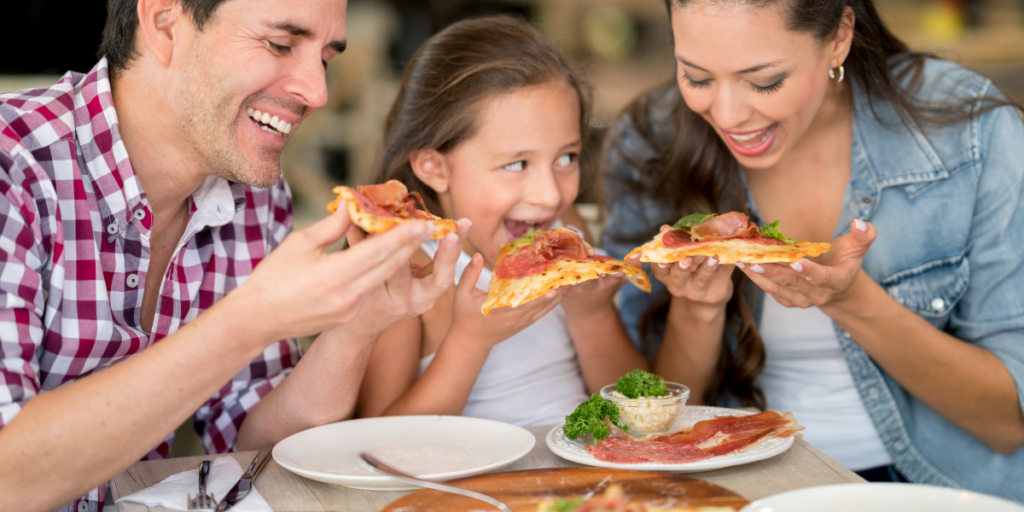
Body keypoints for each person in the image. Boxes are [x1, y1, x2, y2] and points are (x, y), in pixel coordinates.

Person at [0, 0, 469, 510]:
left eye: (325, 58)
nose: (317, 92)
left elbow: (257, 442)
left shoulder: (252, 188)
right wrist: (252, 319)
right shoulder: (13, 168)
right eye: (280, 45)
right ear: (164, 25)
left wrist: (358, 321)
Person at [601, 0, 1024, 500]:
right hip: (741, 486)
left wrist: (849, 301)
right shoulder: (651, 142)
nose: (730, 114)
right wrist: (697, 307)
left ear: (839, 37)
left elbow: (1007, 424)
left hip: (937, 487)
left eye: (764, 82)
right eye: (696, 77)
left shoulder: (964, 127)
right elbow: (650, 424)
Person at [356, 16, 647, 426]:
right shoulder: (404, 269)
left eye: (567, 158)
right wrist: (470, 340)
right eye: (516, 164)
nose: (550, 195)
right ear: (433, 167)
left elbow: (635, 415)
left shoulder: (565, 227)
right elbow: (376, 441)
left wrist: (592, 315)